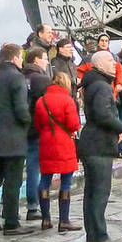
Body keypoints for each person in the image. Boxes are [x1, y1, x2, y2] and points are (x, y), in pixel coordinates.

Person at [0, 43, 35, 235]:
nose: (21, 61)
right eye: (21, 57)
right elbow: (21, 109)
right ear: (14, 58)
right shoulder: (17, 77)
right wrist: (28, 122)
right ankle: (11, 222)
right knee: (13, 180)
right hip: (15, 136)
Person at [78, 50, 122, 242]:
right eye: (109, 60)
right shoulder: (102, 86)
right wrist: (120, 127)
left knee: (91, 193)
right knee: (99, 192)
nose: (114, 63)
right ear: (98, 65)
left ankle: (93, 234)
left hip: (91, 143)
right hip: (99, 145)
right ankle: (99, 236)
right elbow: (103, 113)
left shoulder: (92, 83)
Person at [34, 70, 81, 232]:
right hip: (64, 143)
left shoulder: (41, 101)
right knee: (66, 181)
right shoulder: (68, 101)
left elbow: (38, 124)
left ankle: (45, 219)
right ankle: (64, 220)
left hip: (46, 142)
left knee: (44, 180)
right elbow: (74, 124)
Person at [22, 46, 52, 220]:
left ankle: (7, 208)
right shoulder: (41, 79)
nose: (47, 61)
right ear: (36, 60)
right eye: (44, 58)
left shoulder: (20, 76)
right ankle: (33, 206)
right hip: (35, 129)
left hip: (19, 128)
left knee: (16, 168)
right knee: (34, 168)